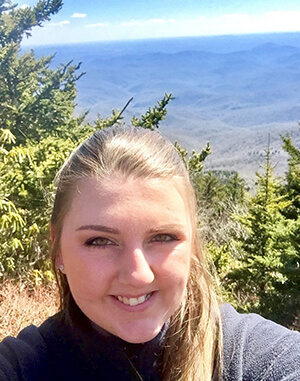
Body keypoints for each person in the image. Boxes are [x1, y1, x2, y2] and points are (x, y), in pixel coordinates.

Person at [0, 126, 299, 381]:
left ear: (193, 245)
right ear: (58, 248)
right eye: (100, 241)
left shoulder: (251, 356)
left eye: (163, 237)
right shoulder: (23, 367)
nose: (138, 274)